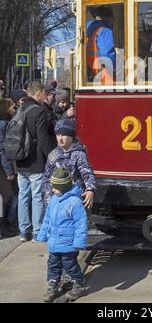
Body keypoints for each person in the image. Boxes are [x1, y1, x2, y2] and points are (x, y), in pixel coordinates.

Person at [37, 167, 88, 302]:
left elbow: (80, 224)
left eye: (56, 187)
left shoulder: (75, 202)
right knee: (52, 265)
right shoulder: (54, 199)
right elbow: (47, 219)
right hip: (54, 243)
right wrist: (42, 234)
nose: (53, 189)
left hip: (68, 244)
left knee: (70, 265)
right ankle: (52, 284)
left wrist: (79, 242)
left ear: (64, 187)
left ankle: (79, 284)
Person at [16, 81, 53, 242]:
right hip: (36, 161)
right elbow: (43, 139)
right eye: (44, 93)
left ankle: (24, 232)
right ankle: (37, 232)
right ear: (38, 93)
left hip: (20, 161)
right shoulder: (39, 111)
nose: (45, 96)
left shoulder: (20, 109)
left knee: (23, 196)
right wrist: (53, 157)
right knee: (37, 196)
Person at [42, 119, 96, 210]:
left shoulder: (79, 154)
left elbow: (87, 174)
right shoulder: (53, 155)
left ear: (71, 136)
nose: (60, 138)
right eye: (58, 135)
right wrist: (48, 196)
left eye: (64, 135)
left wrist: (90, 190)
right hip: (55, 200)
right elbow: (46, 178)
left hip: (73, 200)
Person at [86, 6, 115, 83]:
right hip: (104, 78)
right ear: (108, 18)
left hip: (91, 74)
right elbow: (106, 56)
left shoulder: (87, 32)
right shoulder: (105, 31)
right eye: (113, 20)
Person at [0, 98, 16, 237]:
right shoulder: (3, 124)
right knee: (5, 197)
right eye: (12, 107)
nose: (14, 109)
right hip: (2, 168)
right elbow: (2, 149)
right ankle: (4, 226)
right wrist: (9, 171)